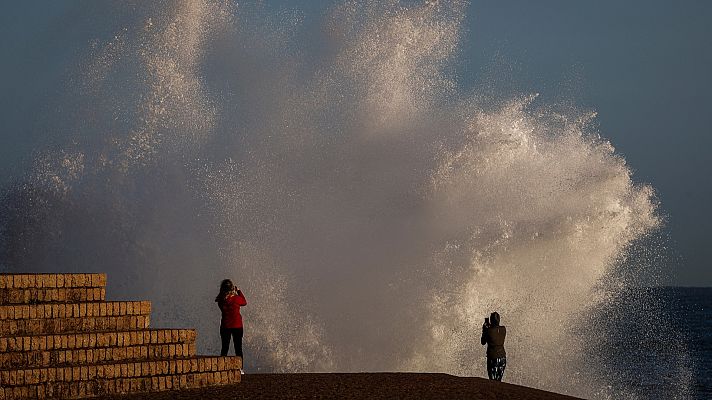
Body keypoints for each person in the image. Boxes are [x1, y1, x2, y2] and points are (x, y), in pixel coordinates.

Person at [215, 279, 247, 363]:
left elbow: (221, 297)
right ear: (232, 288)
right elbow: (244, 302)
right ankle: (240, 369)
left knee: (224, 348)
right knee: (238, 348)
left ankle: (221, 368)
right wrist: (239, 291)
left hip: (225, 326)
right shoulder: (236, 299)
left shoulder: (220, 300)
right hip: (237, 326)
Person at [481, 311, 506, 381]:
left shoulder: (488, 331)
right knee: (499, 380)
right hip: (502, 357)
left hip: (493, 358)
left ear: (491, 321)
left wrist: (484, 330)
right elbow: (495, 330)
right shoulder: (503, 329)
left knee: (492, 381)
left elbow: (483, 342)